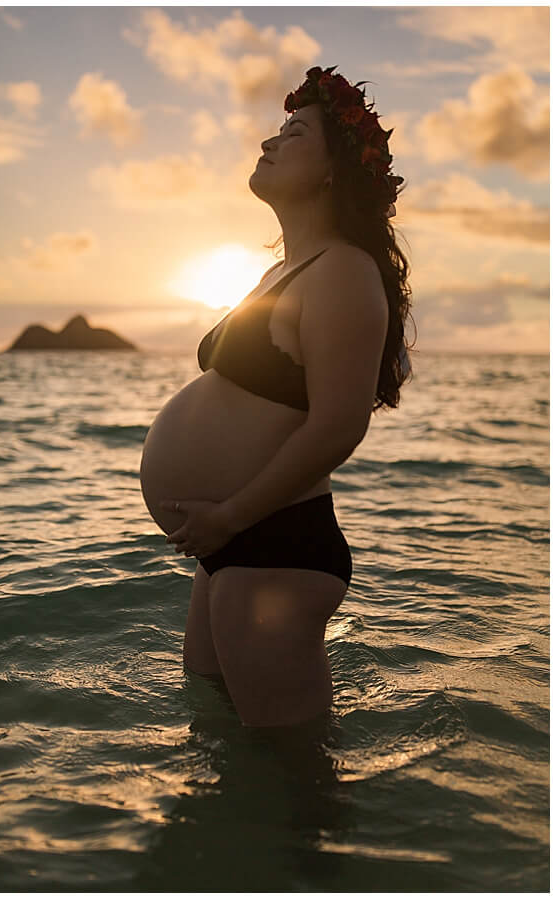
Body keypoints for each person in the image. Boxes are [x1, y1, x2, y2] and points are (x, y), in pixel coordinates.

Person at [139, 67, 412, 728]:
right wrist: (223, 529)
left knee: (296, 775)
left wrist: (229, 516)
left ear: (331, 173)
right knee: (219, 735)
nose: (269, 141)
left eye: (294, 133)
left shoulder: (344, 271)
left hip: (271, 544)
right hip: (234, 544)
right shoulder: (277, 273)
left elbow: (338, 425)